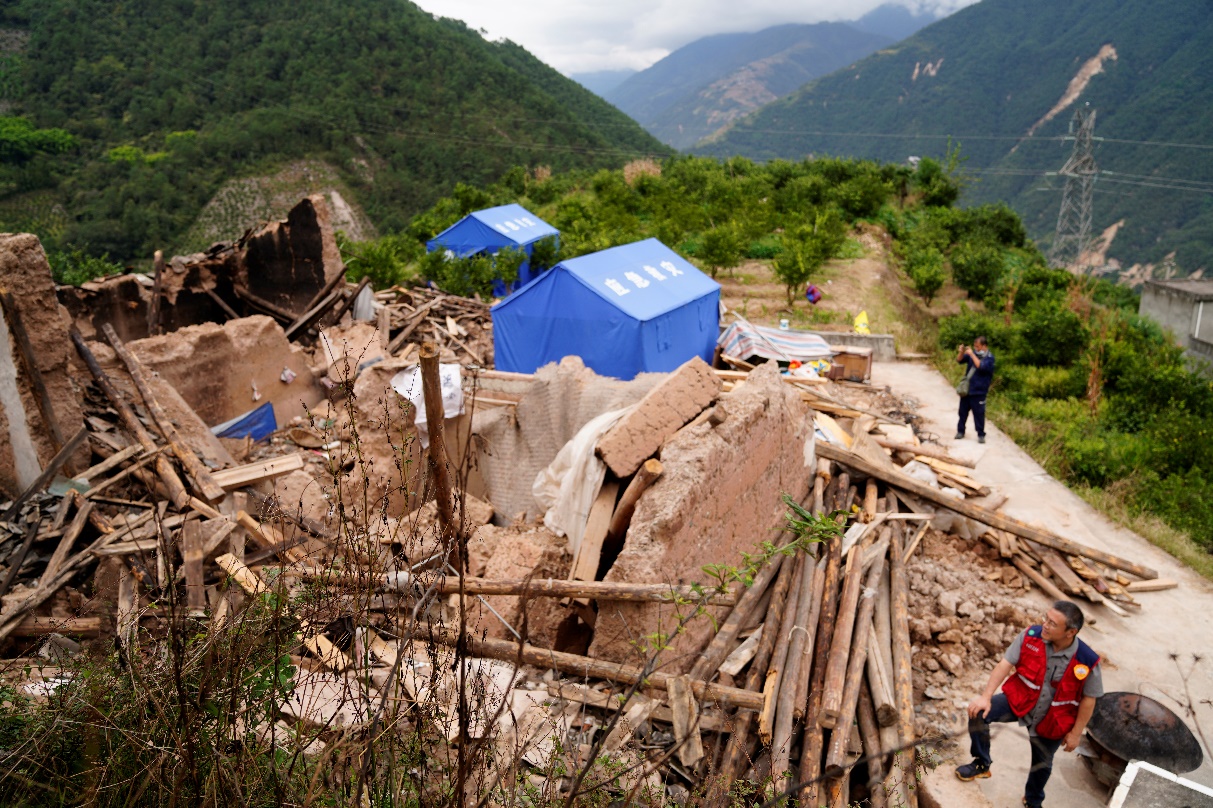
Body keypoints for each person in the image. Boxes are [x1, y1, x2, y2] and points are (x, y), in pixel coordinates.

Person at [956, 601, 1103, 808]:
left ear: (1070, 632)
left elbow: (1089, 699)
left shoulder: (1087, 661)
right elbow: (1005, 663)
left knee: (1042, 764)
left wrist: (1076, 733)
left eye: (1052, 623)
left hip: (1053, 718)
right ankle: (981, 764)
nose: (1045, 625)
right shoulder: (1030, 636)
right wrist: (986, 697)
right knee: (978, 713)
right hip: (1021, 700)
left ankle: (1032, 800)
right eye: (1046, 618)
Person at [956, 336, 995, 443]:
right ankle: (960, 431)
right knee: (962, 412)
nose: (976, 348)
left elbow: (980, 366)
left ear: (984, 346)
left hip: (979, 391)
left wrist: (972, 355)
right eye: (975, 346)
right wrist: (961, 352)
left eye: (978, 347)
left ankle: (981, 434)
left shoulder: (989, 358)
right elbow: (959, 360)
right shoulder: (972, 354)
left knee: (979, 414)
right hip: (967, 390)